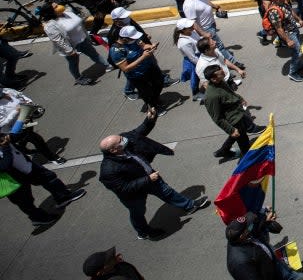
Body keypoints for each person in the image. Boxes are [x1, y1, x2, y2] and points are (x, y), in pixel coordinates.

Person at [99, 108, 210, 239]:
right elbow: (123, 188)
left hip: (150, 177)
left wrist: (150, 120)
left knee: (167, 192)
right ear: (113, 150)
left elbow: (138, 133)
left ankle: (189, 206)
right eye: (120, 141)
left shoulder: (125, 141)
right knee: (138, 212)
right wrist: (147, 179)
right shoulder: (108, 170)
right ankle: (143, 232)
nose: (124, 139)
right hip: (134, 193)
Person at [0, 133, 85, 226]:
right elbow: (4, 165)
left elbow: (14, 136)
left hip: (26, 165)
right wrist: (5, 147)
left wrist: (14, 134)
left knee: (49, 178)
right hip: (13, 180)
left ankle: (63, 197)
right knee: (25, 201)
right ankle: (38, 218)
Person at [225, 209, 303, 280]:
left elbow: (256, 227)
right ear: (242, 235)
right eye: (249, 226)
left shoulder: (243, 236)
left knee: (297, 277)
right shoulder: (239, 264)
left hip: (274, 265)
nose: (251, 225)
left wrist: (266, 221)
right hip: (271, 276)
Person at [41, 0, 107, 85]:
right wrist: (70, 51)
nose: (59, 6)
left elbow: (80, 24)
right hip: (71, 47)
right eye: (56, 7)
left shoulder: (67, 13)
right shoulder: (50, 25)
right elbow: (58, 41)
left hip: (83, 40)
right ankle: (78, 78)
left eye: (57, 4)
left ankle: (107, 64)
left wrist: (87, 37)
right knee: (74, 62)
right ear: (50, 11)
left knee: (94, 54)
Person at [203, 66, 261, 160]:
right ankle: (249, 160)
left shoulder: (220, 82)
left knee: (243, 129)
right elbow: (217, 118)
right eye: (221, 73)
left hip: (238, 113)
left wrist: (240, 98)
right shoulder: (211, 96)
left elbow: (230, 93)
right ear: (213, 79)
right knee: (243, 139)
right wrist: (231, 130)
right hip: (233, 119)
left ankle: (223, 150)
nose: (224, 73)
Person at [109, 25, 168, 111]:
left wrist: (151, 46)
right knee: (147, 93)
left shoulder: (134, 40)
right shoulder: (116, 50)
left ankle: (155, 99)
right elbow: (125, 68)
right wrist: (143, 57)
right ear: (125, 39)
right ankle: (153, 108)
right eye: (133, 38)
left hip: (149, 67)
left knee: (159, 83)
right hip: (137, 75)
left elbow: (143, 46)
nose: (135, 39)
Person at [182, 0, 240, 65]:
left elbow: (206, 1)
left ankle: (222, 59)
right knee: (219, 45)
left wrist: (215, 6)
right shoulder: (189, 5)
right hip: (206, 28)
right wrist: (203, 33)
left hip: (211, 24)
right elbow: (193, 23)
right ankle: (233, 62)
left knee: (216, 45)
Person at [174, 19, 204, 102]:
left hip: (200, 57)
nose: (192, 27)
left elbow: (198, 39)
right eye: (189, 26)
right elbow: (192, 57)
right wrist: (202, 64)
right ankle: (196, 94)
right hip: (194, 61)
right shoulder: (184, 42)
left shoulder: (191, 32)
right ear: (183, 30)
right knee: (195, 78)